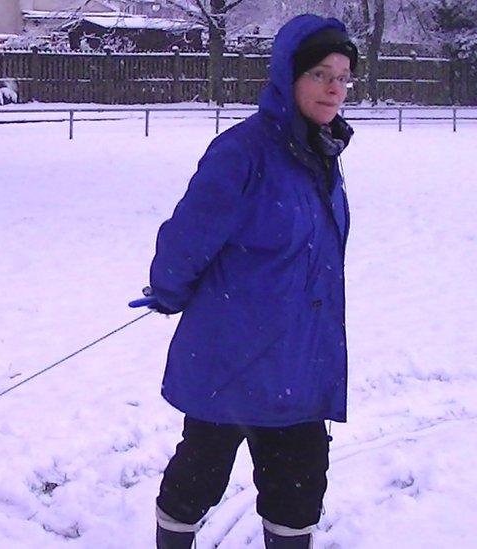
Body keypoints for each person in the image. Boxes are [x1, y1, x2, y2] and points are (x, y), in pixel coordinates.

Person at [143, 15, 357, 549]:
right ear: (288, 76)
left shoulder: (322, 152)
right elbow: (187, 237)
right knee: (197, 476)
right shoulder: (243, 152)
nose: (335, 88)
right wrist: (168, 292)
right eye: (320, 74)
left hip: (300, 362)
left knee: (298, 490)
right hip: (231, 357)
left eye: (344, 76)